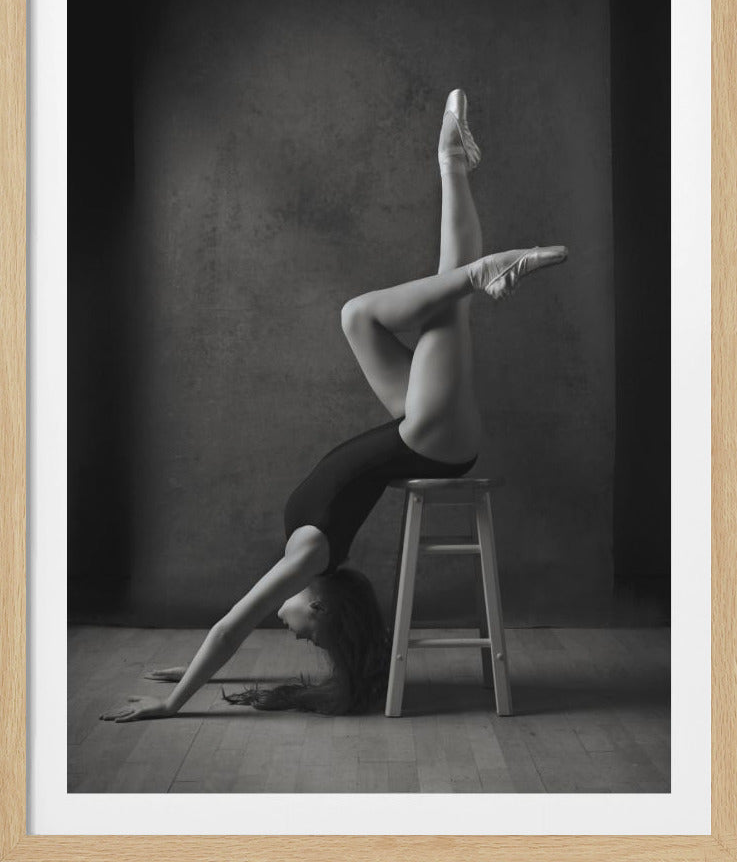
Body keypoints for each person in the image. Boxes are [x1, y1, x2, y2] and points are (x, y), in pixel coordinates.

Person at [100, 89, 567, 721]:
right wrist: (171, 705)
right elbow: (233, 625)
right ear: (318, 606)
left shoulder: (308, 553)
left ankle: (452, 163)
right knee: (426, 302)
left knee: (363, 317)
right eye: (310, 635)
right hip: (432, 440)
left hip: (416, 427)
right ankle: (479, 267)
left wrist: (185, 678)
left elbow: (231, 632)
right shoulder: (312, 558)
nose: (295, 634)